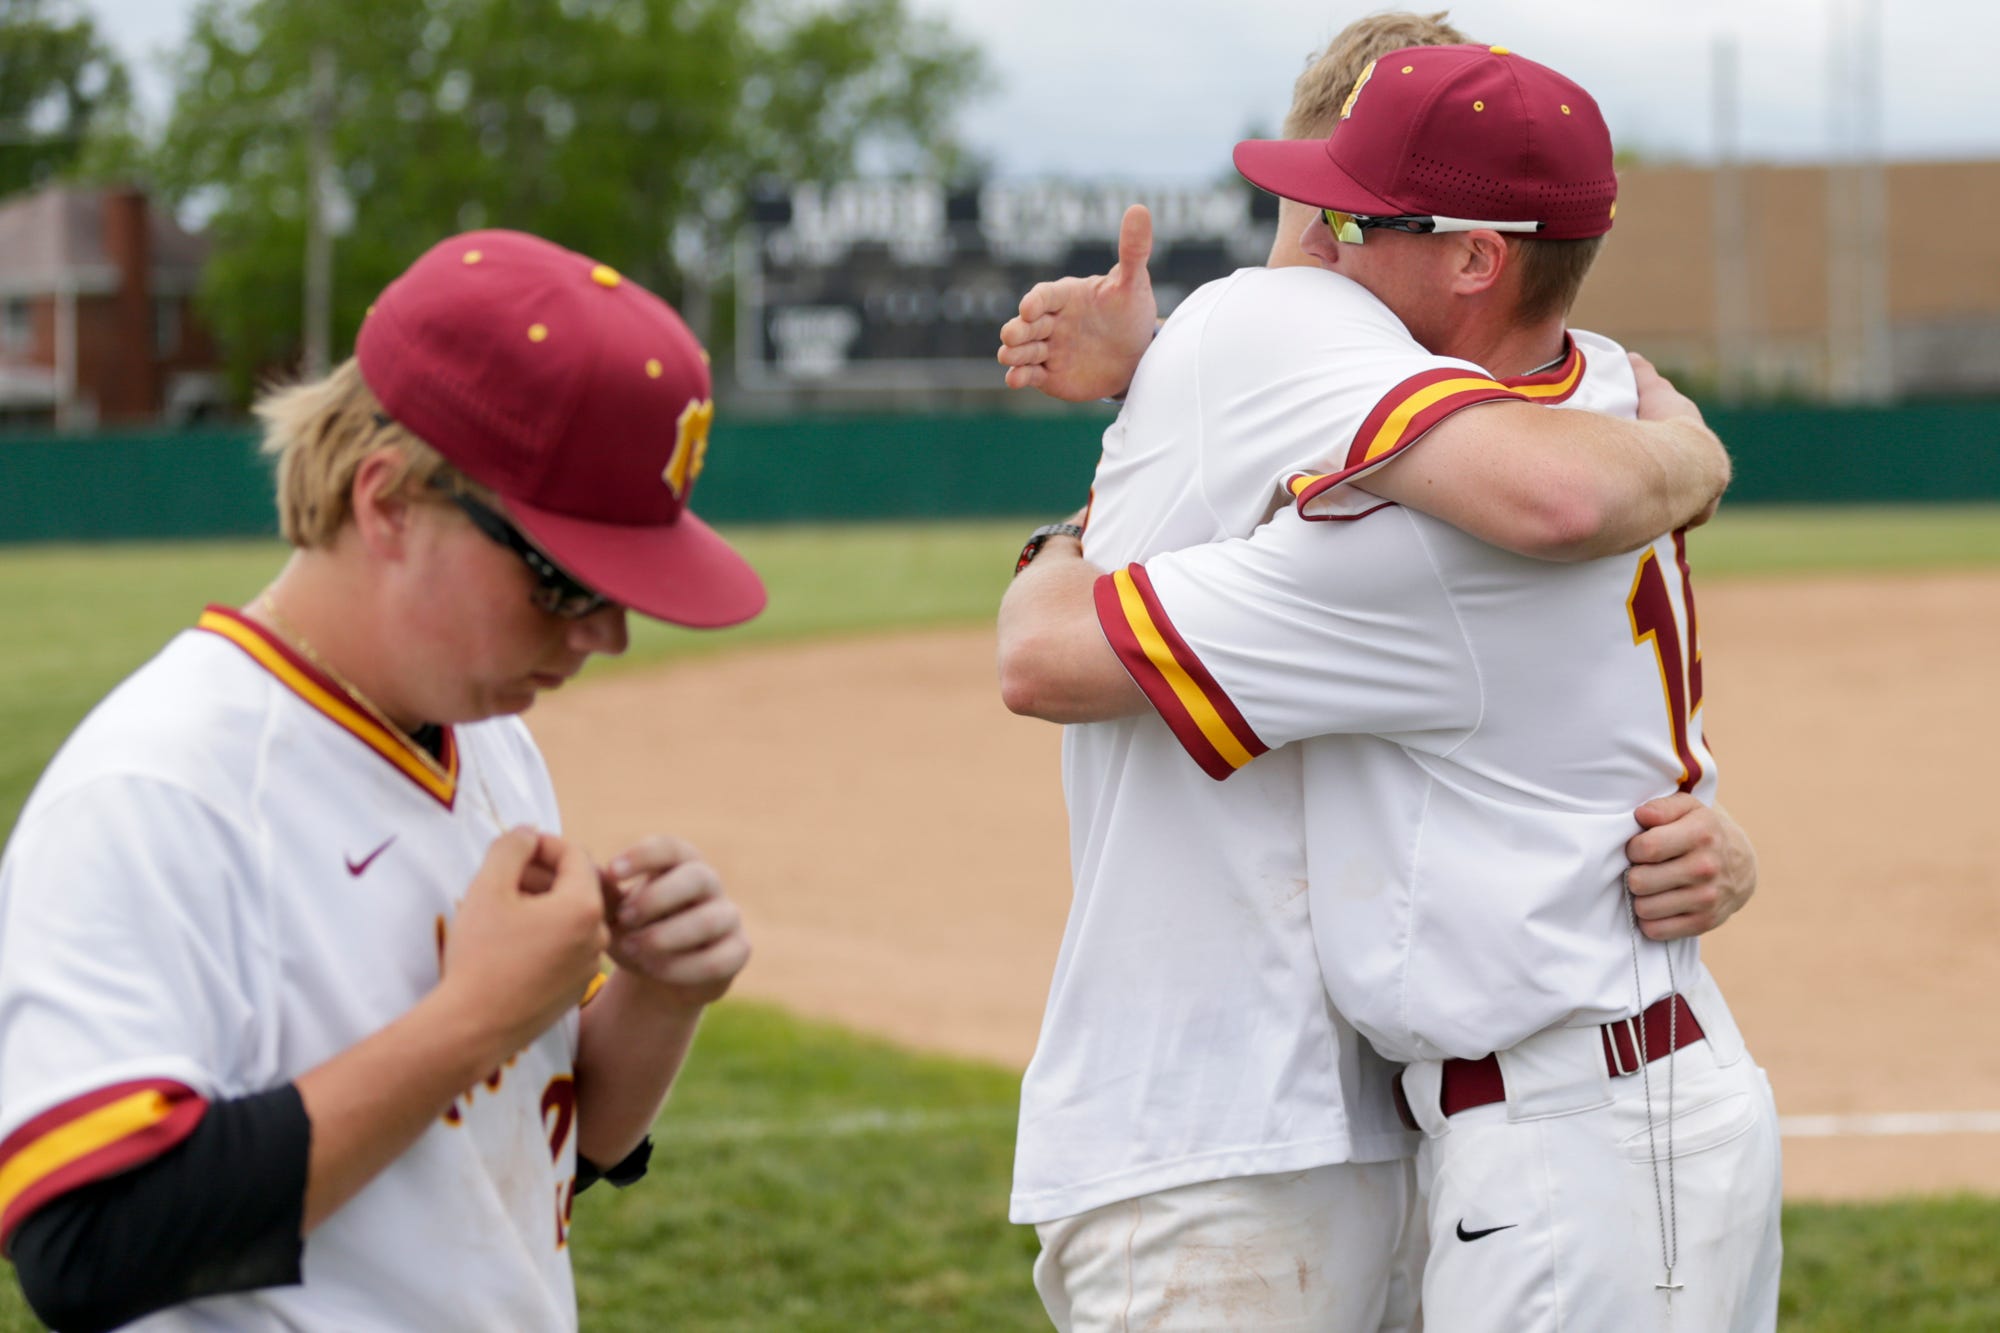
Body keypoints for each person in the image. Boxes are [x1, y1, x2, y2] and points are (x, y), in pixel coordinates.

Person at [991, 15, 1760, 1333]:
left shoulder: (1445, 490)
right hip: (1291, 1128)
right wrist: (1699, 456)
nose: (1328, 247)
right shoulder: (1611, 397)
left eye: (1360, 210)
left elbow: (1047, 647)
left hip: (1486, 1128)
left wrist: (1085, 504)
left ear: (1476, 256)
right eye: (1319, 206)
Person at [0, 229, 760, 1332]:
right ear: (389, 500)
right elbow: (89, 1245)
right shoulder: (154, 790)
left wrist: (658, 992)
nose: (606, 632)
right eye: (563, 578)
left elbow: (536, 1157)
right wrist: (476, 1016)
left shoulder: (486, 733)